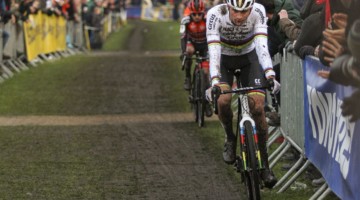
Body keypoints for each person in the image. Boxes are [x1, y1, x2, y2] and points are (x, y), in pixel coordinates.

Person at [205, 0, 280, 188]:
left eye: (244, 12)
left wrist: (270, 74)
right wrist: (215, 81)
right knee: (223, 100)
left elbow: (262, 46)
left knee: (258, 107)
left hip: (249, 58)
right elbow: (213, 51)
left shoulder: (259, 11)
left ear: (251, 8)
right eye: (235, 11)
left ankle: (265, 165)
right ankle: (230, 138)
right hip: (223, 59)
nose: (239, 17)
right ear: (227, 7)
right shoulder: (215, 14)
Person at [180, 0, 212, 117]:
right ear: (190, 13)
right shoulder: (186, 21)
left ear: (203, 12)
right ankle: (188, 77)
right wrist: (184, 52)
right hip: (192, 43)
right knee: (188, 51)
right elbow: (183, 38)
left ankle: (207, 103)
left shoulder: (208, 20)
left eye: (199, 14)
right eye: (194, 14)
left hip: (205, 45)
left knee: (205, 73)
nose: (197, 16)